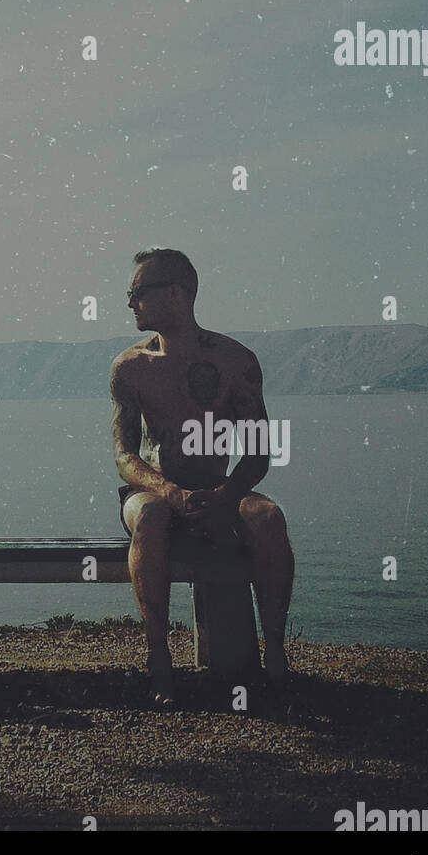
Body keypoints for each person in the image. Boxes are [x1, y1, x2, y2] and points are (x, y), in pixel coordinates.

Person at [110, 249, 294, 707]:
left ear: (175, 294)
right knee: (151, 518)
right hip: (151, 492)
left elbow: (256, 451)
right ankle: (159, 659)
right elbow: (123, 453)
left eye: (137, 293)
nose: (130, 303)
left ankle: (275, 652)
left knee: (268, 517)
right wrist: (168, 490)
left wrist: (227, 493)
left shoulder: (235, 361)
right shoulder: (130, 368)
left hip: (218, 492)